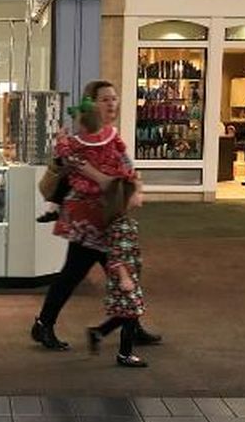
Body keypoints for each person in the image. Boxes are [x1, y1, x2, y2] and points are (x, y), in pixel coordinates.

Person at [31, 79, 162, 351]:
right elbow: (85, 172)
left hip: (109, 217)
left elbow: (127, 167)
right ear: (91, 104)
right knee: (79, 274)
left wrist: (134, 186)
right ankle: (45, 324)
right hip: (87, 220)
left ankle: (129, 326)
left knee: (118, 272)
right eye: (105, 99)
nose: (112, 103)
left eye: (114, 98)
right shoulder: (75, 142)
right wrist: (111, 182)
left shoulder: (112, 136)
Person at [87, 180, 148, 368]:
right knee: (130, 314)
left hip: (128, 276)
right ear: (127, 199)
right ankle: (124, 353)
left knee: (128, 313)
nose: (142, 196)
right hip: (125, 277)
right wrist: (125, 277)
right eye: (139, 193)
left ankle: (99, 332)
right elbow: (117, 255)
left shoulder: (123, 223)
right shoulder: (122, 226)